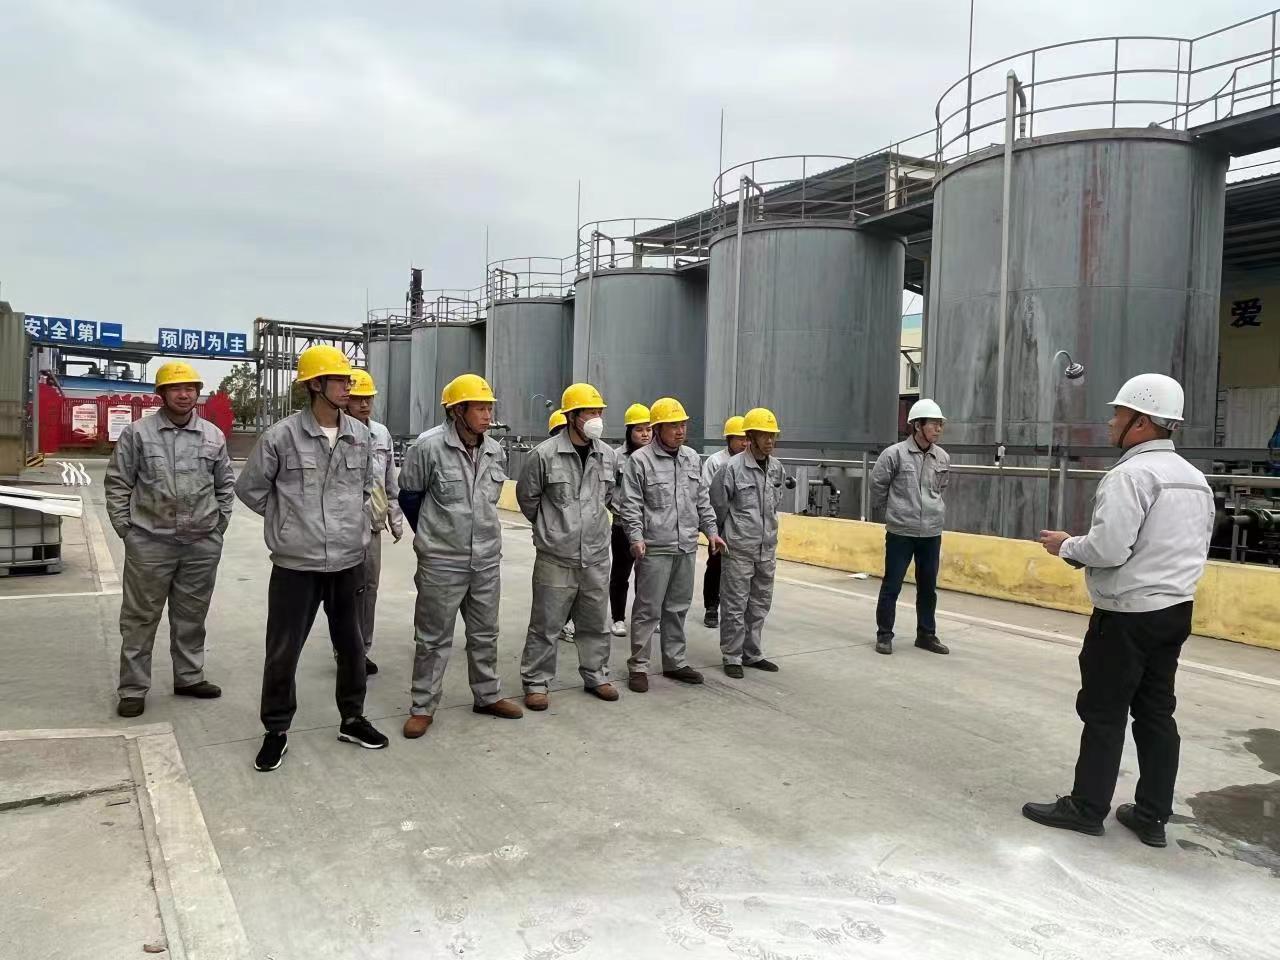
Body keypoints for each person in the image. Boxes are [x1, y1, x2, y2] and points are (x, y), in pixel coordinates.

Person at [1024, 374, 1214, 848]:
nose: (1111, 422)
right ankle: (1151, 815)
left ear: (1142, 422)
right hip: (1174, 611)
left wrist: (1066, 545)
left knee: (1104, 712)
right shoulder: (1195, 480)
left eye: (1119, 414)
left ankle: (1087, 808)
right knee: (1156, 713)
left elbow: (1109, 549)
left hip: (1127, 614)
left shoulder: (1131, 476)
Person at [235, 345, 388, 772]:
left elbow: (365, 489)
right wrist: (288, 522)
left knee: (352, 647)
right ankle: (276, 730)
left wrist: (351, 527)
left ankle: (353, 719)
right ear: (315, 384)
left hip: (347, 561)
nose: (348, 386)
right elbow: (250, 489)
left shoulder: (360, 436)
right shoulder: (281, 437)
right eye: (339, 380)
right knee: (283, 650)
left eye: (348, 379)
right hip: (295, 566)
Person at [105, 361, 233, 718]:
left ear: (198, 393)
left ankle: (189, 677)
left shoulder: (213, 436)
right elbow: (118, 483)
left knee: (192, 615)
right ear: (161, 393)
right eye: (176, 388)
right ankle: (133, 688)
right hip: (150, 542)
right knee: (140, 618)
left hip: (200, 543)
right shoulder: (138, 434)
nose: (184, 394)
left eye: (190, 388)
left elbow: (225, 486)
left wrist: (217, 527)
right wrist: (127, 531)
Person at [398, 374, 523, 738]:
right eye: (479, 408)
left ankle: (487, 695)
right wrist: (432, 535)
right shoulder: (428, 447)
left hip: (485, 559)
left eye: (489, 408)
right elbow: (410, 496)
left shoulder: (494, 450)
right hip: (441, 562)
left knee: (485, 633)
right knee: (432, 639)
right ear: (457, 411)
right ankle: (423, 706)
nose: (487, 415)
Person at [517, 383, 620, 708]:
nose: (597, 418)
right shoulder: (544, 455)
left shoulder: (608, 455)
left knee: (595, 622)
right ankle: (536, 682)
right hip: (556, 557)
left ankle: (596, 675)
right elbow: (528, 498)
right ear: (572, 416)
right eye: (590, 412)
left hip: (596, 555)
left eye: (599, 412)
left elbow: (608, 496)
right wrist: (553, 529)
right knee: (546, 624)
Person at [618, 397, 725, 693]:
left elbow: (701, 500)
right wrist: (636, 538)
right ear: (657, 429)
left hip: (686, 546)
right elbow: (631, 505)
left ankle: (674, 662)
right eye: (673, 425)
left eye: (683, 425)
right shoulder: (640, 461)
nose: (680, 431)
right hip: (654, 547)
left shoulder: (691, 458)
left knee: (677, 608)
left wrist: (711, 532)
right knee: (647, 610)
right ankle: (639, 666)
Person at [869, 398, 951, 656]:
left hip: (931, 532)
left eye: (940, 424)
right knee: (892, 585)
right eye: (933, 424)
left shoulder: (942, 457)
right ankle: (884, 635)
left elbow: (941, 489)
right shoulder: (894, 454)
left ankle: (926, 634)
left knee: (928, 587)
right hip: (901, 532)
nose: (938, 429)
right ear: (917, 425)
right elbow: (877, 485)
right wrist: (894, 512)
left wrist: (933, 511)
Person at [710, 408, 785, 679]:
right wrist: (722, 535)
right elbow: (718, 505)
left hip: (766, 549)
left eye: (772, 435)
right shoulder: (731, 468)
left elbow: (774, 504)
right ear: (750, 437)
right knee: (734, 604)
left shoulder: (776, 468)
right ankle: (732, 655)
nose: (770, 440)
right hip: (739, 548)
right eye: (764, 435)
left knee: (760, 604)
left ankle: (752, 653)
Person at [345, 369, 403, 674]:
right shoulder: (338, 433)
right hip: (342, 528)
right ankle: (344, 649)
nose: (365, 404)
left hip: (373, 525)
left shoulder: (381, 434)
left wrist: (395, 518)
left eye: (368, 398)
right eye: (358, 399)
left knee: (369, 589)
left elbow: (389, 479)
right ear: (346, 400)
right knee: (345, 591)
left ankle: (361, 650)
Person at [700, 415, 749, 628]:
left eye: (747, 438)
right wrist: (712, 526)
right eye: (740, 439)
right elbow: (705, 494)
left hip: (743, 527)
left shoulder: (751, 462)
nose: (745, 443)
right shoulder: (715, 462)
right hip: (720, 524)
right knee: (715, 565)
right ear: (729, 439)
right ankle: (711, 606)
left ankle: (738, 609)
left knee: (741, 571)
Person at [608, 403, 652, 637]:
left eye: (648, 429)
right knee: (620, 574)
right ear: (629, 431)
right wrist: (617, 510)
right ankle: (618, 618)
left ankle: (644, 618)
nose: (645, 434)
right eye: (639, 429)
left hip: (650, 527)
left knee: (647, 576)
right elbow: (607, 489)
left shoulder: (656, 457)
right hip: (622, 526)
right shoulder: (616, 457)